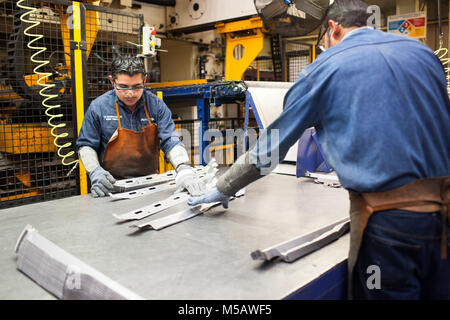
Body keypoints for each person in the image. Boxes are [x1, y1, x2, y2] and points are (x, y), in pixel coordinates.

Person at [188, 0, 450, 300]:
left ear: (333, 28)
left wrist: (223, 187)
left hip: (390, 230)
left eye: (323, 42)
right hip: (443, 220)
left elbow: (267, 152)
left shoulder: (323, 70)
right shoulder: (424, 55)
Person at [76, 56, 204, 197]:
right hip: (110, 186)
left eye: (137, 87)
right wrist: (95, 172)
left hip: (150, 186)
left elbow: (171, 141)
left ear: (145, 80)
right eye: (123, 87)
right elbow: (86, 145)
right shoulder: (98, 107)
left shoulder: (156, 106)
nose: (130, 94)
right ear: (112, 81)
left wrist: (183, 169)